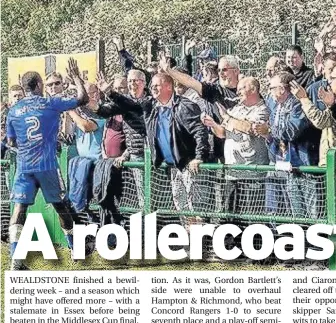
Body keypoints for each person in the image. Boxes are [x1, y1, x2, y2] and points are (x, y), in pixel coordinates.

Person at [6, 59, 94, 270]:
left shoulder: (13, 110)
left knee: (19, 209)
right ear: (38, 86)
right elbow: (82, 99)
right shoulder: (50, 103)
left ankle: (16, 260)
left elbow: (10, 142)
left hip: (24, 166)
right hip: (46, 165)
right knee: (60, 206)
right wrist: (77, 78)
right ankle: (75, 249)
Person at [106, 72, 209, 232]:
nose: (152, 88)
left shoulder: (185, 106)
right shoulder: (150, 105)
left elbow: (199, 131)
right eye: (152, 85)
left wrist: (198, 156)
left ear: (168, 86)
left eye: (157, 85)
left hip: (188, 164)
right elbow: (131, 105)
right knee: (180, 204)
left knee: (194, 206)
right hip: (172, 165)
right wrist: (110, 93)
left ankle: (204, 243)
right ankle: (190, 241)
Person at [202, 77, 269, 214]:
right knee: (231, 217)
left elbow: (251, 128)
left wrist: (227, 118)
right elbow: (222, 133)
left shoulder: (262, 109)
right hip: (232, 173)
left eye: (241, 89)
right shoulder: (236, 109)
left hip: (252, 174)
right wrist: (212, 124)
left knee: (252, 218)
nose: (237, 93)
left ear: (254, 89)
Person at [261, 71, 316, 218]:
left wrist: (271, 130)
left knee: (313, 215)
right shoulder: (275, 108)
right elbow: (276, 138)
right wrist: (267, 136)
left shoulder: (297, 104)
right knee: (297, 216)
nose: (269, 91)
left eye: (272, 87)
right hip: (287, 167)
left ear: (282, 88)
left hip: (304, 167)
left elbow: (293, 131)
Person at [96, 69, 148, 208]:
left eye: (136, 80)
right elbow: (103, 111)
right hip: (133, 155)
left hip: (150, 155)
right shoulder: (123, 103)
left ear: (144, 83)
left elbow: (134, 107)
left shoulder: (149, 101)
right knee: (138, 199)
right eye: (130, 81)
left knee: (153, 197)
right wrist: (87, 100)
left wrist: (110, 92)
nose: (133, 84)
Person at [290, 64, 336, 166]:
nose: (329, 81)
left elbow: (321, 121)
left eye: (333, 78)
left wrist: (303, 99)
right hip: (331, 161)